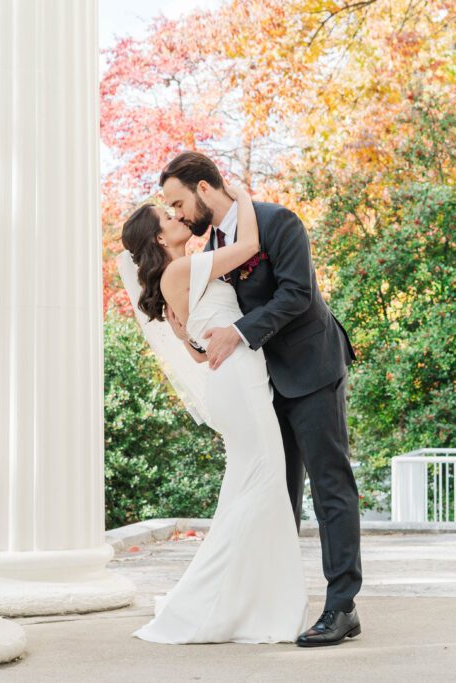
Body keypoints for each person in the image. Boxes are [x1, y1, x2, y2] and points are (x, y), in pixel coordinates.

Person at [157, 151, 362, 647]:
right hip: (262, 381)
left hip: (312, 370)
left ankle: (342, 607)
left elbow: (296, 294)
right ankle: (276, 601)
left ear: (204, 189)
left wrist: (239, 333)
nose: (178, 214)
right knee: (278, 491)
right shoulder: (213, 246)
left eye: (178, 202)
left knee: (330, 485)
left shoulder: (276, 222)